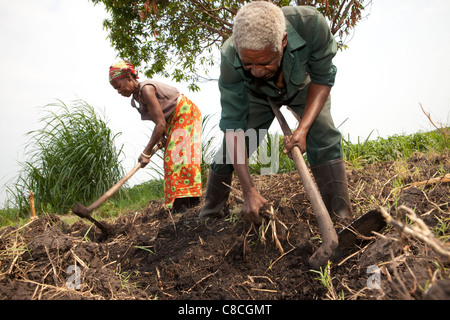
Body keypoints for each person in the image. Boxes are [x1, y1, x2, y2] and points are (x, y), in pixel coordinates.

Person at [200, 2, 352, 224]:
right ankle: (210, 215)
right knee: (230, 152)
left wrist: (303, 129)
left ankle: (341, 219)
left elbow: (323, 79)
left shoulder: (310, 25)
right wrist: (248, 191)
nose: (258, 71)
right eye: (248, 64)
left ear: (283, 41)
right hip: (255, 96)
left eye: (266, 61)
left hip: (302, 86)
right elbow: (233, 127)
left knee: (323, 134)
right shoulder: (229, 56)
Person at [109, 60, 202, 212]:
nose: (119, 91)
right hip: (173, 119)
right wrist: (162, 138)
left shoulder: (146, 89)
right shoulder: (137, 98)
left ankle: (185, 203)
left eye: (119, 86)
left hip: (184, 112)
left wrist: (146, 152)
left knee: (177, 158)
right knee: (177, 158)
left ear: (128, 78)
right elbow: (160, 120)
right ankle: (186, 203)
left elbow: (160, 123)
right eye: (116, 89)